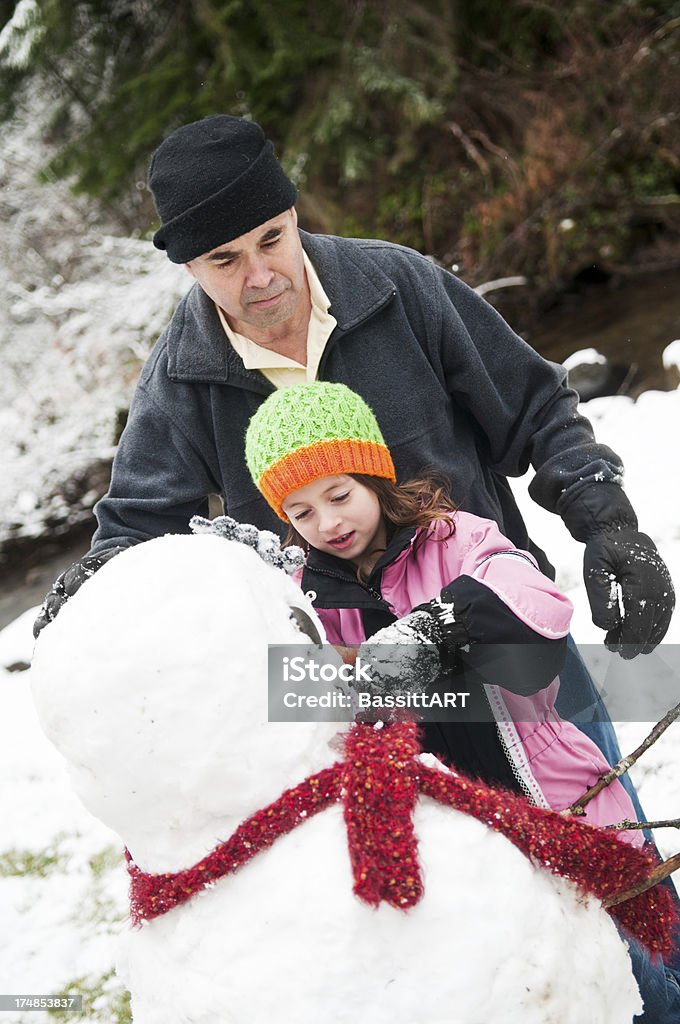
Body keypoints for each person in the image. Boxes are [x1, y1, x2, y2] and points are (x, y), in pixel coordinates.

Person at [33, 113, 677, 957]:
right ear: (188, 266)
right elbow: (138, 532)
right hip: (363, 700)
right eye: (225, 260)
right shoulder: (181, 383)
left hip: (510, 652)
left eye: (272, 238)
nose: (261, 276)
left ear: (293, 212)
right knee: (488, 935)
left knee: (621, 894)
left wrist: (607, 522)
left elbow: (534, 407)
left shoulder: (398, 287)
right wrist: (100, 589)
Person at [243, 380, 680, 1020]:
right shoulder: (308, 599)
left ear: (375, 479)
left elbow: (536, 607)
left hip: (561, 800)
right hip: (473, 842)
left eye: (339, 495)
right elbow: (299, 701)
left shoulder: (455, 540)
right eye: (301, 512)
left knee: (652, 943)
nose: (328, 523)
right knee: (596, 985)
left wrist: (434, 629)